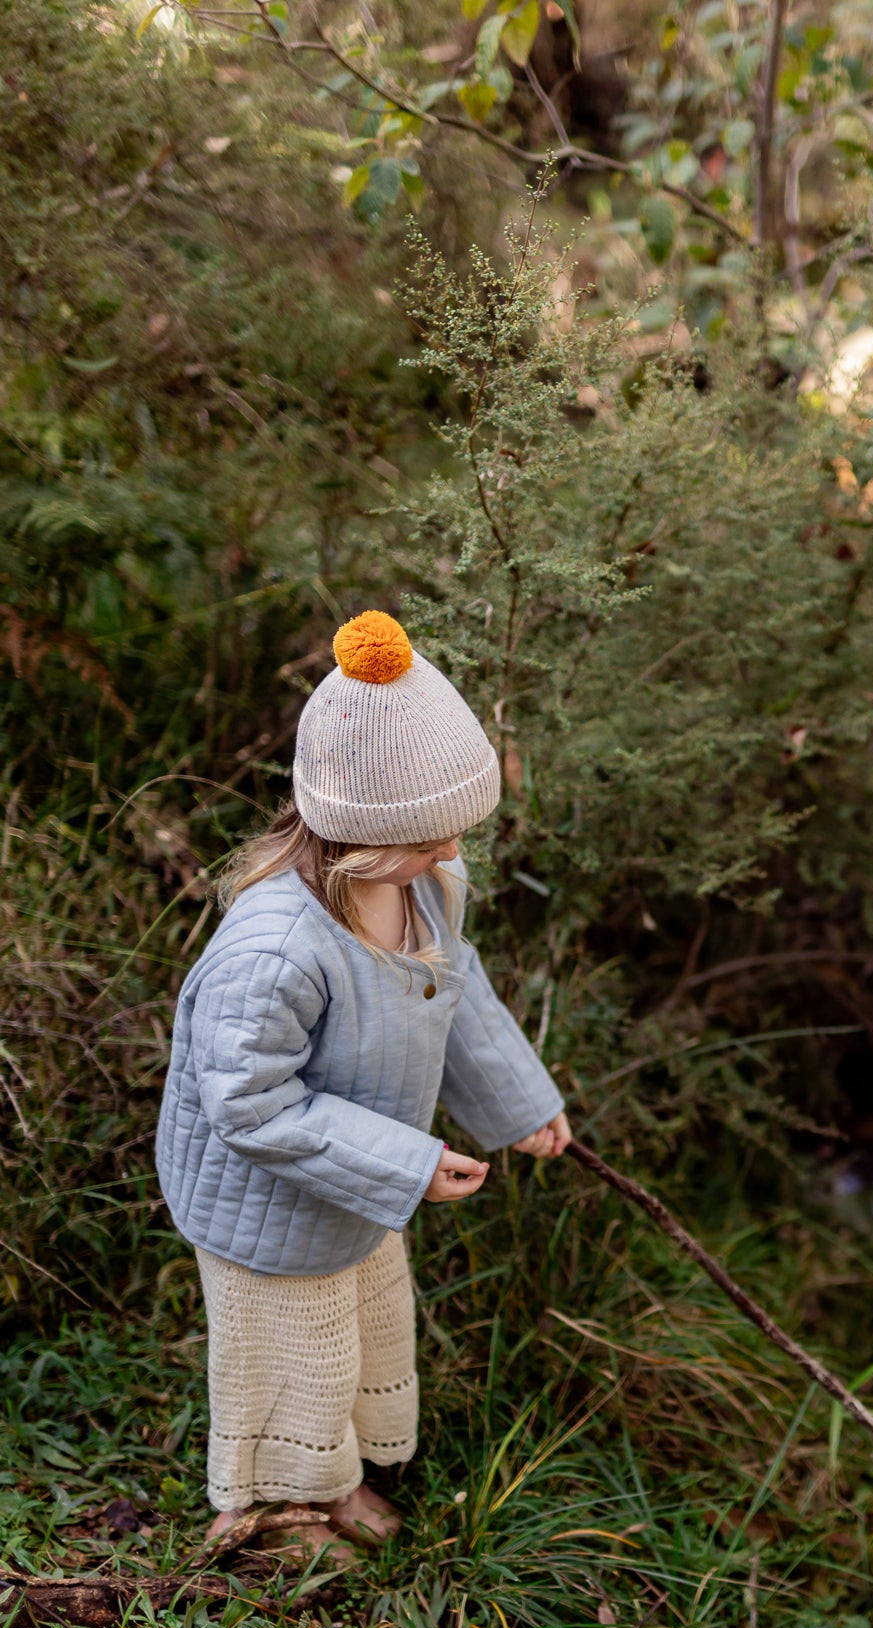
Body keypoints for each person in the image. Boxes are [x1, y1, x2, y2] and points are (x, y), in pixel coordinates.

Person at [156, 610, 569, 1553]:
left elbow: (453, 993)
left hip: (356, 1182)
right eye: (435, 840)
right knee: (290, 1349)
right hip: (269, 1200)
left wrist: (521, 1105)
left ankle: (338, 1475)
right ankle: (276, 1503)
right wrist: (408, 1163)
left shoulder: (419, 885)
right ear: (359, 837)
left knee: (359, 1328)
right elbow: (249, 1104)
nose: (455, 855)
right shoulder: (272, 951)